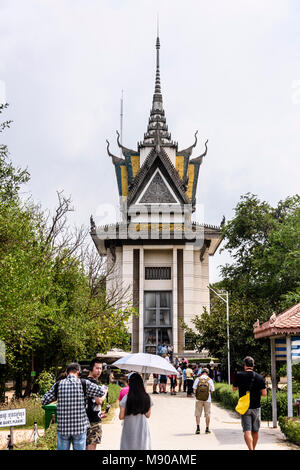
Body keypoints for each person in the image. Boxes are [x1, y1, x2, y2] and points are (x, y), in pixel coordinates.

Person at [41, 362, 106, 450]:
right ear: (79, 372)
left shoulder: (58, 385)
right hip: (79, 428)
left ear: (66, 373)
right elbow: (101, 392)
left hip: (63, 428)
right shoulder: (84, 383)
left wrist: (58, 396)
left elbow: (44, 400)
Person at [232, 356, 267, 450]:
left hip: (245, 407)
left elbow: (234, 389)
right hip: (256, 407)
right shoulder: (260, 377)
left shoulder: (238, 375)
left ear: (244, 365)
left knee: (247, 431)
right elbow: (264, 394)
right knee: (255, 431)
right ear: (253, 366)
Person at [119, 372, 153, 450]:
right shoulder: (147, 397)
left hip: (129, 427)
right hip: (142, 426)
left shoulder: (126, 398)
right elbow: (148, 415)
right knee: (142, 445)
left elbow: (121, 417)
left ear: (130, 383)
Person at [85, 358, 108, 451]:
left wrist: (99, 412)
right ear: (91, 368)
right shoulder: (92, 383)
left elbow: (91, 403)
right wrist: (105, 392)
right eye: (97, 368)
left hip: (87, 417)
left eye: (101, 368)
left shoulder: (85, 381)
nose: (99, 371)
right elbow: (99, 401)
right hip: (93, 421)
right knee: (92, 446)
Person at [193, 367, 214, 434]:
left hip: (198, 399)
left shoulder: (197, 379)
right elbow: (212, 390)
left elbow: (194, 389)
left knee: (198, 413)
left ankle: (198, 428)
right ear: (207, 373)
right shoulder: (209, 380)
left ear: (201, 372)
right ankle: (207, 429)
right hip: (207, 399)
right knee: (207, 414)